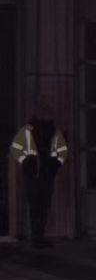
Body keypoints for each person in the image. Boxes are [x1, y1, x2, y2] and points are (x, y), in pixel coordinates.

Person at [9, 105, 68, 247]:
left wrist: (55, 164)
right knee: (35, 206)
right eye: (46, 114)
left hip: (46, 175)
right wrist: (26, 162)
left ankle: (39, 236)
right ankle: (36, 237)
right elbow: (15, 149)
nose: (48, 116)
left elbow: (62, 151)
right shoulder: (26, 132)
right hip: (33, 175)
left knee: (43, 206)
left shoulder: (54, 132)